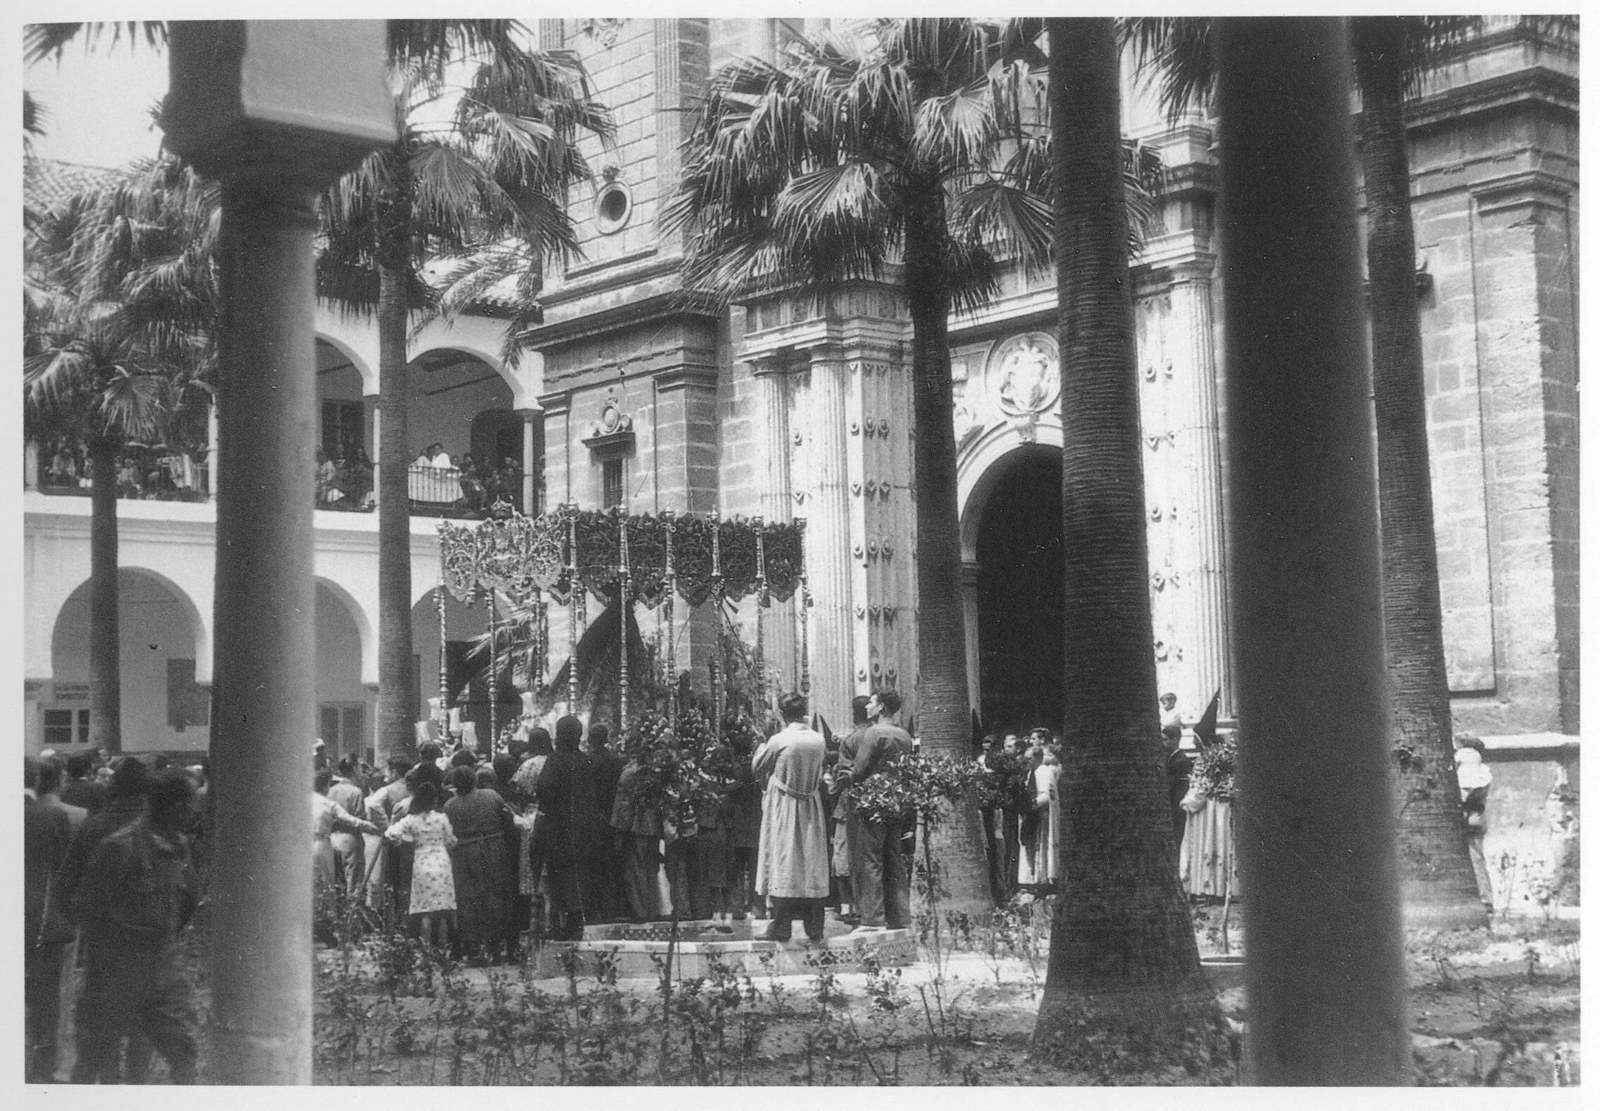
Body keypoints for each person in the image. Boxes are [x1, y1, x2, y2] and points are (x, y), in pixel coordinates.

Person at [71, 769, 201, 1084]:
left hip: (163, 971)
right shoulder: (119, 848)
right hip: (116, 972)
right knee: (93, 1061)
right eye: (190, 805)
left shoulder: (180, 847)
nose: (195, 812)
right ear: (174, 808)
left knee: (184, 1053)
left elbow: (187, 903)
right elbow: (87, 908)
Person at [752, 692, 830, 942]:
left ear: (782, 714)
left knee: (784, 861)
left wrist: (762, 744)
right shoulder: (818, 739)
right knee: (810, 863)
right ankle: (815, 926)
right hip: (810, 804)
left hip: (784, 805)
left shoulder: (779, 739)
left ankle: (781, 925)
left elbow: (758, 767)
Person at [838, 690, 915, 932]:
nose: (868, 706)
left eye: (872, 702)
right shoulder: (904, 735)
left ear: (881, 707)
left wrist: (846, 776)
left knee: (870, 858)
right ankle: (900, 917)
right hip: (896, 799)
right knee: (894, 858)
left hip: (873, 799)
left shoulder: (874, 732)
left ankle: (872, 918)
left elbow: (859, 770)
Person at [26, 756, 74, 1083]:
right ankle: (41, 1071)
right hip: (42, 921)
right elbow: (63, 873)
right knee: (44, 1000)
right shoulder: (52, 816)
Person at [443, 765, 517, 964]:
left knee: (469, 899)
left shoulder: (450, 805)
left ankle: (473, 947)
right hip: (493, 848)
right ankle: (496, 947)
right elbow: (508, 821)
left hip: (463, 853)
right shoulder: (491, 796)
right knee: (496, 896)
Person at [536, 716, 601, 940]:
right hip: (584, 827)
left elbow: (544, 789)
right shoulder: (585, 761)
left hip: (559, 827)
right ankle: (577, 916)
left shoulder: (555, 761)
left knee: (560, 874)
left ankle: (564, 920)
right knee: (580, 873)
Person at [384, 780, 458, 950]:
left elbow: (390, 833)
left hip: (421, 863)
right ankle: (443, 951)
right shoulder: (441, 818)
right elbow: (451, 841)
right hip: (441, 862)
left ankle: (426, 950)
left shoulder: (411, 820)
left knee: (425, 909)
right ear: (434, 800)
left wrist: (403, 842)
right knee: (442, 909)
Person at [312, 767, 378, 945]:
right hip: (321, 845)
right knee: (326, 886)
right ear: (325, 786)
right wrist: (369, 826)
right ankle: (328, 928)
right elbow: (349, 819)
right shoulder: (327, 803)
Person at [828, 695, 872, 923]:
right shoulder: (879, 735)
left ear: (855, 714)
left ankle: (850, 908)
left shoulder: (851, 740)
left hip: (848, 808)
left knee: (843, 859)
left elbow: (841, 777)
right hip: (876, 806)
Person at [609, 746, 664, 923]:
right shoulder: (656, 773)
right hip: (653, 825)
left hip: (635, 826)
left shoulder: (629, 773)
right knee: (650, 868)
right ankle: (651, 909)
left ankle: (639, 910)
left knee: (635, 868)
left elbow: (623, 804)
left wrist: (618, 828)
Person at [362, 756, 413, 915]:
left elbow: (372, 804)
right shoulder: (415, 788)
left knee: (392, 879)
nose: (386, 776)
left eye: (388, 772)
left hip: (394, 841)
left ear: (395, 772)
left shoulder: (387, 790)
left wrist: (386, 827)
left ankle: (393, 918)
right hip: (413, 841)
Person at [586, 722, 626, 923]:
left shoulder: (590, 761)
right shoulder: (616, 760)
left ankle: (597, 910)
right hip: (614, 814)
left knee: (596, 866)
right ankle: (612, 908)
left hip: (596, 816)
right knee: (611, 865)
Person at [1455, 734, 1494, 913]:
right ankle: (1485, 899)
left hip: (1468, 816)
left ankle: (1485, 900)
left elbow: (1465, 791)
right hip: (1476, 816)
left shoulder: (1468, 763)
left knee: (1474, 858)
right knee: (1477, 858)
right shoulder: (1482, 769)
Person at [1018, 746, 1064, 890]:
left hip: (1041, 815)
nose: (1027, 761)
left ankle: (1043, 880)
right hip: (1032, 815)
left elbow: (1047, 796)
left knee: (1041, 846)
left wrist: (1030, 805)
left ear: (1038, 757)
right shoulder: (1031, 772)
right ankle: (1032, 880)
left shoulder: (1044, 772)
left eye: (1030, 758)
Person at [327, 757, 368, 895]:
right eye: (359, 768)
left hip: (332, 838)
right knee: (353, 883)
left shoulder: (331, 790)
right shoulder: (355, 792)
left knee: (336, 881)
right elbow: (359, 818)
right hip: (350, 839)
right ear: (354, 769)